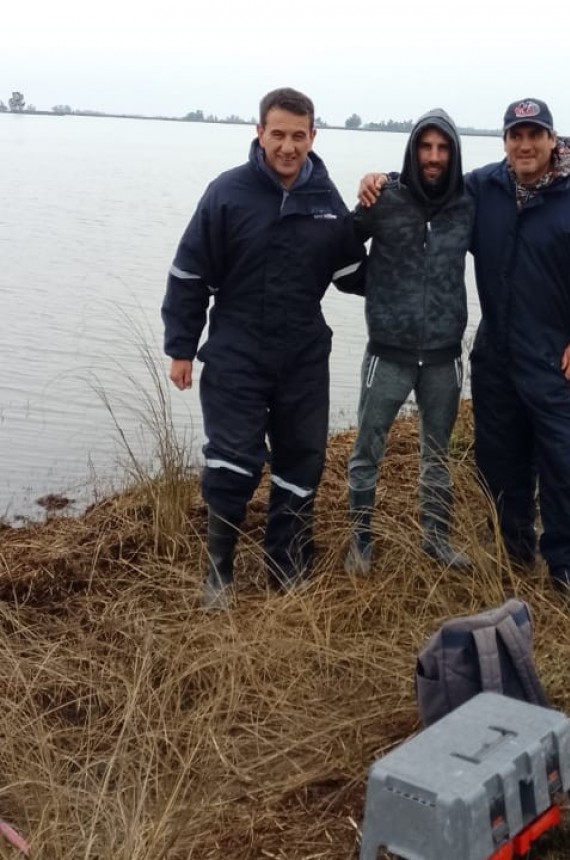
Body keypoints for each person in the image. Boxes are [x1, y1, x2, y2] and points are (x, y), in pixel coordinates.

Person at [360, 98, 570, 610]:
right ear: (505, 142)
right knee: (500, 462)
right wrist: (381, 181)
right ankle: (514, 553)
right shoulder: (483, 189)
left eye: (535, 135)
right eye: (516, 135)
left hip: (564, 358)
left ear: (554, 141)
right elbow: (431, 186)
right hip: (498, 354)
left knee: (566, 464)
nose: (525, 145)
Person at [162, 87, 366, 609]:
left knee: (302, 460)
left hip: (303, 353)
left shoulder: (325, 198)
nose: (288, 146)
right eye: (278, 134)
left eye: (299, 135)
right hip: (236, 349)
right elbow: (189, 274)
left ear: (313, 137)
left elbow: (352, 274)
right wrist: (181, 347)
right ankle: (219, 573)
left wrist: (391, 224)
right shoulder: (228, 193)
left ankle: (287, 564)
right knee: (233, 460)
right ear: (259, 133)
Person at [345, 109, 473, 574]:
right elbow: (338, 251)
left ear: (453, 153)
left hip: (444, 356)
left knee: (436, 453)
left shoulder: (468, 203)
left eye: (442, 148)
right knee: (367, 449)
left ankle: (436, 538)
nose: (434, 157)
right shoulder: (382, 198)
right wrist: (375, 284)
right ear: (413, 150)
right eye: (426, 146)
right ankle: (359, 539)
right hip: (388, 353)